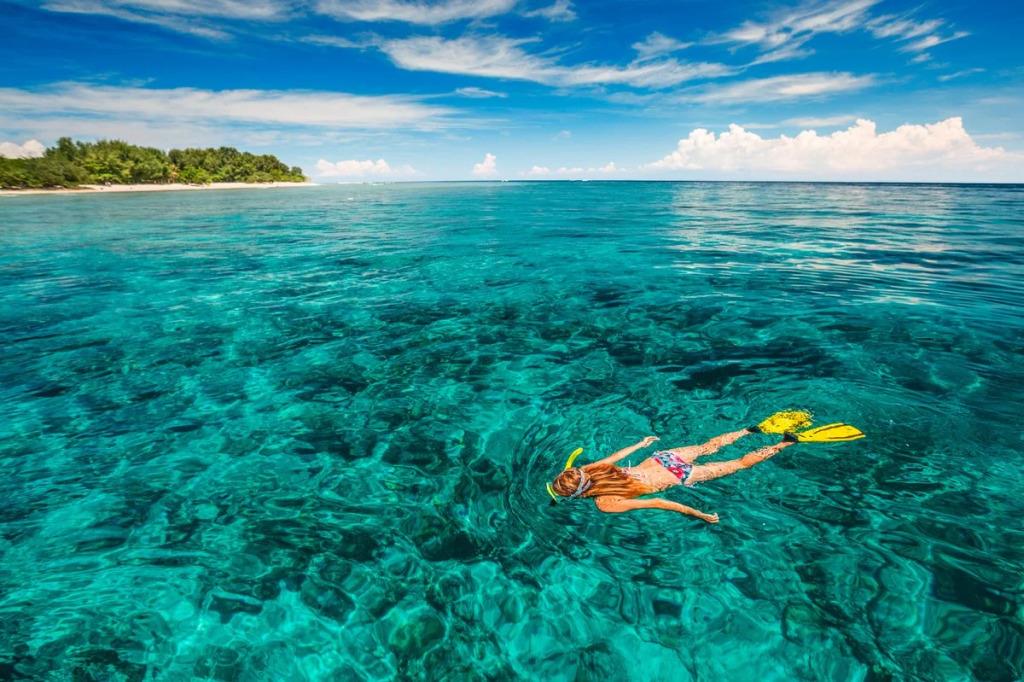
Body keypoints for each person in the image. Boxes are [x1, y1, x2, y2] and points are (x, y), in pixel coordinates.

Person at [546, 412, 863, 523]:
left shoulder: (605, 503)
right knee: (710, 445)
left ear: (578, 495)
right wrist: (642, 444)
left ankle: (788, 442)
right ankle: (752, 429)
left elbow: (661, 502)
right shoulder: (591, 469)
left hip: (680, 476)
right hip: (663, 457)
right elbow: (616, 456)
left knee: (739, 463)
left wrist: (700, 515)